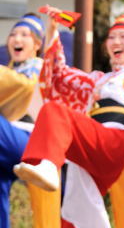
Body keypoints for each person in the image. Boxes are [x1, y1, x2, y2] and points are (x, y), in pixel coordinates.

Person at [14, 6, 124, 227]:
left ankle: (47, 163)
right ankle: (47, 165)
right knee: (76, 212)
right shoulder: (98, 79)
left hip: (114, 142)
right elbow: (59, 74)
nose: (115, 41)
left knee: (54, 111)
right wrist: (52, 29)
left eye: (123, 37)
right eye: (111, 37)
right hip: (94, 145)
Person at [0, 14, 51, 228]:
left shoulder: (40, 70)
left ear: (37, 44)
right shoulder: (11, 72)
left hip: (30, 141)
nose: (16, 39)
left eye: (24, 35)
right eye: (13, 34)